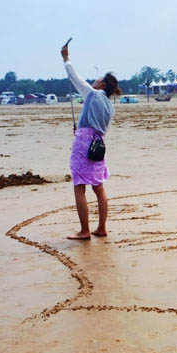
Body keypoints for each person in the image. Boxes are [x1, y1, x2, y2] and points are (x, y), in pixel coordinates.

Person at [61, 41, 121, 240]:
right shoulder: (110, 106)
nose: (94, 81)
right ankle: (101, 228)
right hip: (98, 144)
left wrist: (66, 59)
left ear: (102, 84)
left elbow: (75, 78)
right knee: (98, 186)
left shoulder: (93, 94)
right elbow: (98, 126)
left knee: (79, 186)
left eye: (97, 79)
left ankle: (85, 230)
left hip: (84, 144)